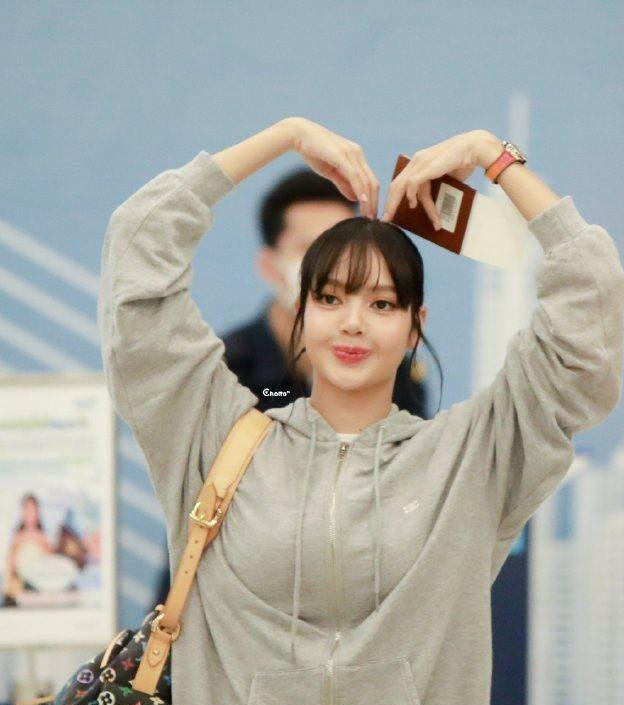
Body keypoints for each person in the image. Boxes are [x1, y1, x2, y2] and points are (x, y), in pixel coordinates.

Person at [98, 117, 624, 705]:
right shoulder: (213, 433)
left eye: (383, 303)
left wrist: (493, 160)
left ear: (416, 327)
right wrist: (281, 137)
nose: (354, 320)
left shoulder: (471, 459)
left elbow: (588, 305)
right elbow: (139, 253)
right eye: (333, 296)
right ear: (298, 315)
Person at [151, 165, 430, 611]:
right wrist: (288, 136)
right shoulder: (229, 369)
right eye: (310, 249)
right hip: (229, 607)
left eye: (339, 244)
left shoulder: (394, 373)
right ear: (270, 266)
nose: (331, 263)